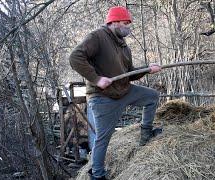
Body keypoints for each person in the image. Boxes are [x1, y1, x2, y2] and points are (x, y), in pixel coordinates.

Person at [69, 6, 162, 180]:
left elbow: (131, 72)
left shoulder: (124, 46)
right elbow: (75, 58)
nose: (128, 27)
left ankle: (146, 133)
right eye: (126, 23)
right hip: (103, 98)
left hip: (123, 90)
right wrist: (97, 79)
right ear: (115, 22)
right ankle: (97, 175)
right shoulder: (97, 37)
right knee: (103, 138)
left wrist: (148, 69)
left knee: (152, 96)